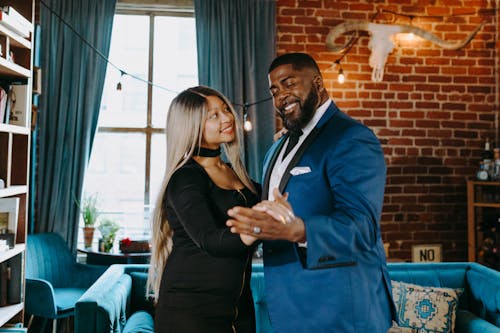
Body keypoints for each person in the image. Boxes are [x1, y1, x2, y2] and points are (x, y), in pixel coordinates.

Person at [226, 53, 395, 332]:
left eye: (289, 83)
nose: (281, 96)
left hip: (342, 309)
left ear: (317, 83)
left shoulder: (351, 137)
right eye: (274, 90)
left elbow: (363, 226)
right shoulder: (276, 149)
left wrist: (299, 230)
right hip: (291, 306)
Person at [148, 86, 260, 333]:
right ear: (192, 127)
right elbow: (210, 239)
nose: (227, 117)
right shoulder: (185, 178)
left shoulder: (235, 173)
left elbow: (275, 199)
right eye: (214, 115)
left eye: (225, 109)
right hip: (189, 310)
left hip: (237, 308)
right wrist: (259, 228)